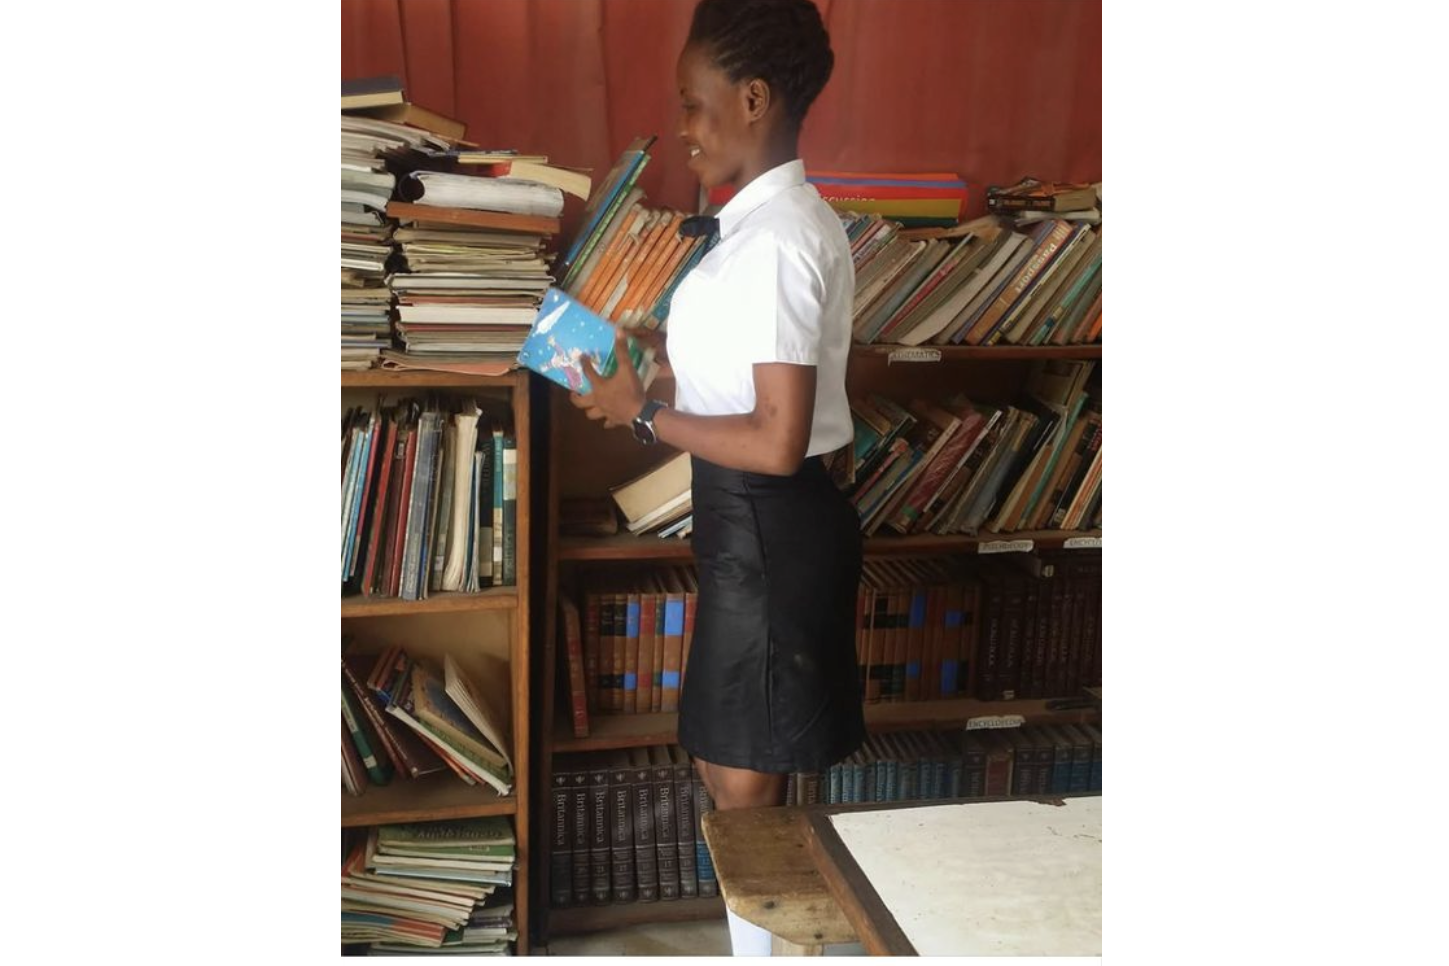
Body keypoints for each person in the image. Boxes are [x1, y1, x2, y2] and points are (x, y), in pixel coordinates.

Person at [572, 0, 863, 951]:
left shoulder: (775, 242)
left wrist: (642, 415)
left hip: (768, 523)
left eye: (693, 105)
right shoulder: (763, 229)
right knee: (731, 766)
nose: (684, 129)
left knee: (743, 785)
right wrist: (658, 374)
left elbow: (777, 439)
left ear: (753, 99)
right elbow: (753, 390)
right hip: (756, 528)